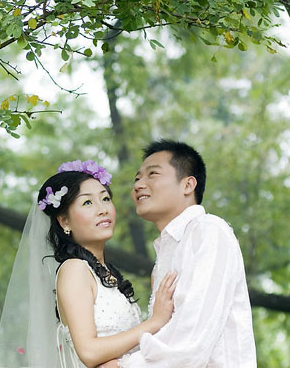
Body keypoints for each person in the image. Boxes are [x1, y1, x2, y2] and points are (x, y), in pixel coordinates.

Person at [0, 159, 177, 368]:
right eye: (87, 202)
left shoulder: (105, 272)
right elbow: (89, 351)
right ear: (64, 221)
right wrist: (154, 321)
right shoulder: (75, 269)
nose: (102, 209)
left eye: (105, 198)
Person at [107, 140, 256, 367]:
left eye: (152, 174)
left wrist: (124, 365)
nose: (138, 185)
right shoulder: (164, 257)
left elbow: (191, 340)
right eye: (136, 179)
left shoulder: (208, 231)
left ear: (188, 185)